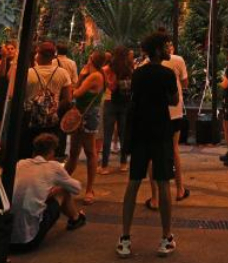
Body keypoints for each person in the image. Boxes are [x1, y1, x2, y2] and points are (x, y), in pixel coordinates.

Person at [118, 31, 179, 259]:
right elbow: (173, 100)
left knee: (133, 183)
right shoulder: (167, 74)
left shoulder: (138, 74)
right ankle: (166, 237)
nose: (168, 49)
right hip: (161, 132)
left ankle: (124, 238)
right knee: (163, 184)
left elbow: (134, 97)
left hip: (140, 133)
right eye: (165, 46)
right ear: (156, 50)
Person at [11, 133, 87, 253]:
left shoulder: (20, 164)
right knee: (63, 190)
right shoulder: (53, 167)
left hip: (6, 238)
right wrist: (59, 183)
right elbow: (77, 188)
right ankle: (76, 218)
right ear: (51, 152)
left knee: (42, 191)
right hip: (28, 240)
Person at [66, 51, 107, 204]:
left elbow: (76, 93)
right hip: (82, 115)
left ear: (91, 60)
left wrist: (80, 78)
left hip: (87, 116)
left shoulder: (95, 76)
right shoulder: (97, 74)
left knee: (89, 151)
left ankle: (89, 189)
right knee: (74, 151)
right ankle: (64, 182)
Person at [23, 41, 73, 158]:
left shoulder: (28, 73)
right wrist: (53, 108)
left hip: (30, 119)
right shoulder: (63, 73)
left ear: (39, 55)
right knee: (48, 151)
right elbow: (68, 99)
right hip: (52, 120)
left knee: (29, 150)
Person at [159, 35, 190, 201]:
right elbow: (185, 83)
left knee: (156, 150)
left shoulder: (146, 64)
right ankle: (179, 189)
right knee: (174, 148)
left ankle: (156, 196)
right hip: (174, 110)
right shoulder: (177, 60)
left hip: (156, 112)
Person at [100, 46, 135, 175]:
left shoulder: (107, 69)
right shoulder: (129, 69)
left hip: (110, 101)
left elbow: (104, 86)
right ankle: (123, 164)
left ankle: (104, 166)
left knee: (108, 135)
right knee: (123, 134)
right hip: (125, 103)